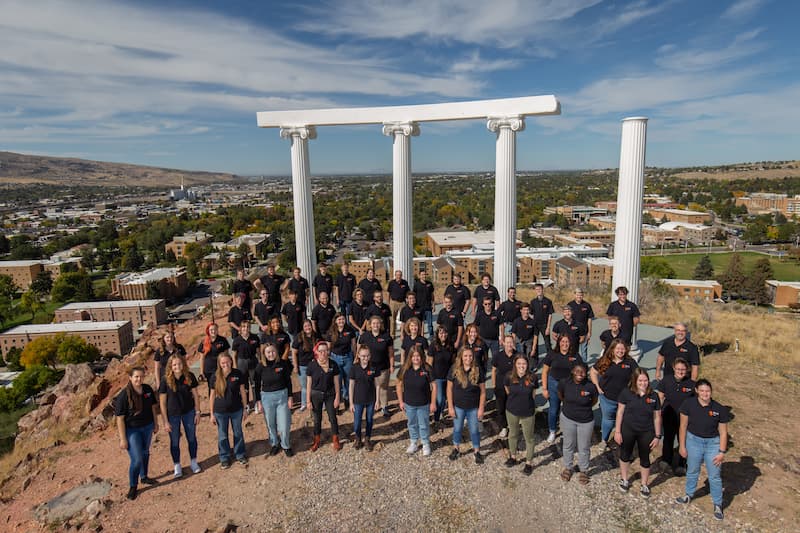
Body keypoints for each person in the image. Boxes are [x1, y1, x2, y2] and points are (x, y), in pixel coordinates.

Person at [676, 379, 730, 521]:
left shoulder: (719, 409)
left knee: (714, 475)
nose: (705, 393)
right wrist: (682, 445)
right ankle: (688, 494)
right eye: (702, 391)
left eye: (708, 391)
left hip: (713, 444)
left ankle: (717, 504)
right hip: (693, 441)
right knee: (692, 470)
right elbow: (683, 426)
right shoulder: (688, 404)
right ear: (697, 391)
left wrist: (721, 452)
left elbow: (723, 433)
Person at [616, 368, 662, 498]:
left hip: (646, 431)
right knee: (625, 454)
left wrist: (658, 435)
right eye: (640, 380)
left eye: (646, 380)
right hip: (628, 429)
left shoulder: (654, 396)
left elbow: (657, 417)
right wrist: (618, 431)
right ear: (635, 381)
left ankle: (644, 484)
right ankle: (624, 479)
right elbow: (620, 412)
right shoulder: (626, 393)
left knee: (645, 458)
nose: (643, 383)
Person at [115, 366, 159, 500]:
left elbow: (153, 407)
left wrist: (156, 423)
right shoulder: (124, 395)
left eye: (141, 376)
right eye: (136, 377)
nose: (139, 379)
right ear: (130, 378)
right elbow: (120, 419)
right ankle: (133, 486)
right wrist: (123, 439)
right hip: (132, 430)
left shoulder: (147, 389)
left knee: (145, 453)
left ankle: (144, 477)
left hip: (147, 426)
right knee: (137, 459)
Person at [590, 339, 639, 450]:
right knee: (608, 420)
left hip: (624, 400)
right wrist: (597, 386)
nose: (620, 351)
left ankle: (622, 441)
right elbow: (593, 372)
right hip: (607, 398)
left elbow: (638, 376)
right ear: (612, 349)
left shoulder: (630, 363)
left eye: (622, 349)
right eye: (618, 348)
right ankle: (604, 440)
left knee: (624, 421)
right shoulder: (605, 360)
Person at [159, 355, 201, 478]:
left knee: (191, 438)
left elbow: (196, 395)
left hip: (188, 412)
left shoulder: (189, 377)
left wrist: (197, 412)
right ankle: (177, 465)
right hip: (173, 415)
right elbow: (162, 402)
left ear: (183, 364)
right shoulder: (165, 380)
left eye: (179, 364)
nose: (177, 367)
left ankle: (193, 461)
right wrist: (165, 421)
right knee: (175, 441)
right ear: (170, 367)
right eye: (174, 365)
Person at [558, 364, 598, 484]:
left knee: (584, 447)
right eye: (577, 371)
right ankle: (568, 467)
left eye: (583, 372)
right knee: (568, 445)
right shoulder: (565, 383)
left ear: (586, 373)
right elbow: (561, 394)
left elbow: (594, 400)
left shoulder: (590, 386)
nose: (580, 374)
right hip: (568, 418)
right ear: (572, 371)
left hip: (586, 421)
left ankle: (584, 470)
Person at [447, 347, 486, 464]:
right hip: (458, 407)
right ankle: (456, 448)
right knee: (457, 429)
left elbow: (483, 392)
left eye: (470, 356)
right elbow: (449, 389)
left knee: (474, 430)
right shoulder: (454, 369)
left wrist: (481, 408)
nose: (468, 358)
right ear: (461, 357)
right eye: (465, 356)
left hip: (473, 408)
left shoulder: (478, 370)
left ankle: (477, 451)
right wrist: (450, 406)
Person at [656, 358, 695, 475]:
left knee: (683, 440)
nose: (681, 371)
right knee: (668, 438)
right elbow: (660, 398)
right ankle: (666, 461)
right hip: (669, 415)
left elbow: (697, 402)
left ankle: (682, 464)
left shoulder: (692, 384)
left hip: (685, 419)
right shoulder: (666, 380)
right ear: (673, 368)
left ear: (687, 370)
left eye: (683, 369)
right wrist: (657, 413)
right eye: (678, 369)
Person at [209, 353, 248, 469]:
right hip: (220, 412)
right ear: (219, 364)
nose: (226, 364)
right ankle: (224, 457)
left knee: (238, 433)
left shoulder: (237, 374)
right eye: (223, 363)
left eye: (227, 362)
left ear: (231, 361)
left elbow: (243, 391)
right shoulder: (215, 377)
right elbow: (212, 396)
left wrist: (245, 408)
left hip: (236, 410)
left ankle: (240, 454)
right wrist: (211, 413)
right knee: (222, 436)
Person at [254, 343, 294, 457]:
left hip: (282, 396)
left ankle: (286, 445)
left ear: (276, 352)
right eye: (268, 352)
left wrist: (290, 397)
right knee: (270, 424)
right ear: (264, 354)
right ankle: (275, 443)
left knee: (284, 424)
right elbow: (256, 385)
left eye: (272, 351)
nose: (271, 354)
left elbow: (288, 381)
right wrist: (258, 401)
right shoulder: (260, 366)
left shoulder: (282, 364)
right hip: (267, 398)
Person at [396, 346, 436, 456]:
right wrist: (400, 401)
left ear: (421, 356)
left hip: (424, 403)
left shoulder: (426, 368)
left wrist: (433, 403)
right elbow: (398, 385)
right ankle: (413, 442)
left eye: (418, 355)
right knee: (412, 423)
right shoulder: (405, 368)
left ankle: (425, 443)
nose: (416, 358)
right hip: (409, 404)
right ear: (410, 357)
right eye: (413, 356)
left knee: (423, 424)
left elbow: (434, 386)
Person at [541, 335, 582, 443]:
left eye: (567, 341)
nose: (565, 344)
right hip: (553, 385)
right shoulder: (552, 354)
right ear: (558, 342)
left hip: (568, 386)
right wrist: (544, 388)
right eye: (562, 341)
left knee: (568, 410)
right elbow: (545, 371)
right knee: (554, 410)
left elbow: (581, 371)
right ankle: (552, 431)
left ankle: (569, 432)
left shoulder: (575, 356)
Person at [504, 355, 538, 475]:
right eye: (519, 364)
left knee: (529, 438)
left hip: (527, 412)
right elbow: (507, 389)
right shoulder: (509, 376)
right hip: (512, 411)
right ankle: (513, 457)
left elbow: (533, 394)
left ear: (527, 365)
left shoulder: (533, 377)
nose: (521, 366)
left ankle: (528, 463)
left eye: (524, 364)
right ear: (515, 364)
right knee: (513, 434)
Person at [306, 341, 342, 451]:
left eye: (325, 350)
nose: (323, 353)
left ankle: (335, 439)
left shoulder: (333, 364)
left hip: (330, 395)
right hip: (316, 395)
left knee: (333, 418)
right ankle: (316, 440)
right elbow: (309, 384)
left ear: (328, 351)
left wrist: (337, 397)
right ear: (316, 351)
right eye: (320, 351)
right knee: (317, 420)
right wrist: (308, 401)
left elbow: (337, 383)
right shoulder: (312, 365)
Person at [359, 316, 394, 417]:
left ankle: (384, 407)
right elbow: (359, 350)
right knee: (370, 388)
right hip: (369, 367)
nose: (376, 325)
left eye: (378, 323)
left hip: (383, 367)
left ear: (381, 325)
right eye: (373, 323)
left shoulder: (386, 336)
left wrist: (392, 365)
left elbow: (391, 352)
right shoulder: (365, 336)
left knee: (383, 387)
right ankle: (373, 406)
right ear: (370, 325)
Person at [349, 345, 378, 451]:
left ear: (370, 356)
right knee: (357, 422)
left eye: (367, 356)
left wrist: (377, 400)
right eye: (363, 356)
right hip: (357, 400)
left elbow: (377, 385)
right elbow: (351, 385)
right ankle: (358, 439)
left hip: (371, 400)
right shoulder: (354, 368)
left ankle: (367, 439)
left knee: (369, 420)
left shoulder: (373, 368)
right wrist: (351, 403)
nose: (365, 358)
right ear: (359, 356)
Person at [327, 313, 357, 409]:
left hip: (348, 358)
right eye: (339, 319)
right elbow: (328, 347)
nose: (341, 321)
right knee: (337, 382)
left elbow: (353, 345)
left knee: (348, 380)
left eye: (343, 319)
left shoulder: (350, 330)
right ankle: (337, 403)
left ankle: (347, 399)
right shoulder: (331, 332)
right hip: (335, 358)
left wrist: (355, 357)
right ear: (335, 321)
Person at [492, 335, 518, 439]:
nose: (509, 345)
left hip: (513, 387)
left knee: (513, 408)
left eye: (511, 342)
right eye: (507, 342)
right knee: (501, 408)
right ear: (503, 344)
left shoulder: (517, 356)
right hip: (500, 386)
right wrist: (494, 385)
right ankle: (504, 427)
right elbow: (493, 370)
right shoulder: (498, 355)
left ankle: (513, 426)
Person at [231, 320, 260, 411]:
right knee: (244, 385)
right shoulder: (237, 340)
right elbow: (234, 355)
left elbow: (258, 352)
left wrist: (260, 362)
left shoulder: (254, 338)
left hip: (252, 362)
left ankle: (256, 403)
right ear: (240, 328)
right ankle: (246, 404)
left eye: (247, 326)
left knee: (254, 383)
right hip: (241, 363)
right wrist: (235, 366)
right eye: (243, 327)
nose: (245, 328)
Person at [429, 327, 455, 424]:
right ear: (437, 334)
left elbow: (453, 362)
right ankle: (436, 419)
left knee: (445, 398)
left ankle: (440, 412)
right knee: (439, 399)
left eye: (445, 333)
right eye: (441, 333)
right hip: (437, 377)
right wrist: (430, 379)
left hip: (448, 377)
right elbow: (430, 363)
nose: (443, 335)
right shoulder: (433, 346)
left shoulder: (450, 345)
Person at [291, 319, 318, 412]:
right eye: (305, 326)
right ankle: (304, 403)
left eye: (309, 325)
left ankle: (315, 402)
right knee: (304, 386)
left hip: (314, 365)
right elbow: (294, 352)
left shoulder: (316, 336)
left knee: (315, 385)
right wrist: (295, 366)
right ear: (303, 327)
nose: (308, 328)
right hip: (303, 365)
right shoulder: (299, 337)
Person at [198, 323, 230, 395]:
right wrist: (201, 372)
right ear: (208, 331)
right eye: (211, 330)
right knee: (211, 388)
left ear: (217, 330)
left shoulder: (222, 340)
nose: (213, 331)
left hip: (220, 368)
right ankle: (213, 404)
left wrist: (228, 367)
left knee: (223, 385)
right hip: (209, 369)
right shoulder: (204, 342)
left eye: (215, 329)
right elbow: (202, 358)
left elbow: (226, 355)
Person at [474, 296, 503, 372]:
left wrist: (502, 338)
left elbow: (501, 325)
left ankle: (495, 375)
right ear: (483, 304)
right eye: (486, 304)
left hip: (495, 341)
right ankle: (483, 374)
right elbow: (476, 326)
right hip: (483, 340)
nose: (487, 306)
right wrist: (476, 338)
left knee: (496, 359)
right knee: (483, 359)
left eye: (489, 304)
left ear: (492, 304)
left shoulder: (497, 313)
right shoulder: (480, 314)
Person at [567, 288, 595, 362]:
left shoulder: (587, 305)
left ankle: (583, 366)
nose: (579, 296)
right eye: (577, 294)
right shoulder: (570, 305)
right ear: (575, 295)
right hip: (573, 332)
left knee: (584, 351)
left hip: (584, 332)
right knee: (572, 350)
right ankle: (572, 365)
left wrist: (589, 332)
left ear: (583, 295)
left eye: (581, 295)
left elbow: (589, 319)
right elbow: (567, 318)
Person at [530, 283, 554, 356]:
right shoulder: (533, 302)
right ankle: (535, 362)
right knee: (535, 344)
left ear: (543, 290)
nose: (538, 291)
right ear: (535, 290)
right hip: (535, 326)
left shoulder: (548, 301)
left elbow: (550, 314)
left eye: (540, 289)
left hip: (544, 325)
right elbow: (531, 313)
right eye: (537, 289)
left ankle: (550, 360)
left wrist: (548, 327)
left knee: (547, 344)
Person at [387, 269, 410, 337]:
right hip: (393, 302)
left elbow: (408, 292)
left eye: (400, 275)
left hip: (402, 302)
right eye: (397, 275)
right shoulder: (391, 283)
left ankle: (404, 333)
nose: (398, 276)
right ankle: (392, 334)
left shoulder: (405, 282)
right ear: (395, 275)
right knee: (392, 319)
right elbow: (388, 293)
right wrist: (389, 302)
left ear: (401, 276)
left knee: (405, 318)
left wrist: (408, 301)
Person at [413, 270, 435, 338]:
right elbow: (414, 295)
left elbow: (432, 295)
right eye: (422, 274)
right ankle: (420, 337)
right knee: (419, 323)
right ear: (419, 276)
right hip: (419, 307)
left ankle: (431, 337)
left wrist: (433, 305)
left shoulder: (429, 284)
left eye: (425, 274)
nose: (424, 276)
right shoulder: (416, 284)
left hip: (428, 307)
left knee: (430, 324)